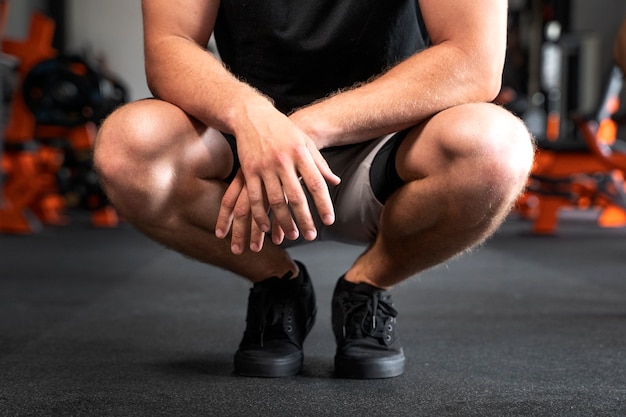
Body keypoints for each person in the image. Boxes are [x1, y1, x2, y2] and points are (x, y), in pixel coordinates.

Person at [94, 0, 535, 379]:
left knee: (496, 150)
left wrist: (303, 129)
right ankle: (278, 284)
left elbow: (472, 60)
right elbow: (171, 44)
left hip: (390, 139)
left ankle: (367, 286)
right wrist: (252, 119)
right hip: (243, 144)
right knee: (127, 148)